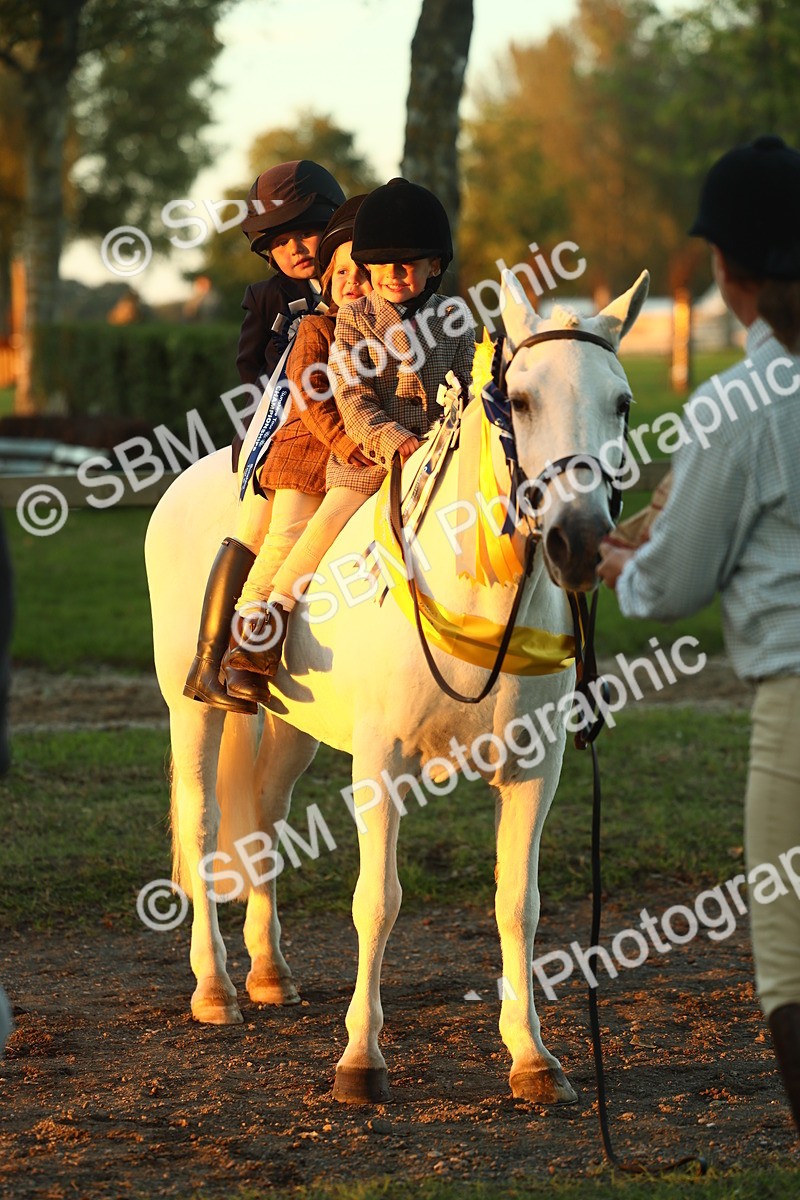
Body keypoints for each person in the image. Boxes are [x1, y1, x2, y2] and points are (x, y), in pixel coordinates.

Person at [597, 135, 800, 1140]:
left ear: (728, 272)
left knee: (790, 967)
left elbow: (672, 583)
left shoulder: (736, 402)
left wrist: (615, 560)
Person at [224, 177, 475, 695]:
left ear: (435, 266)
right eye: (384, 264)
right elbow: (352, 396)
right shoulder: (353, 321)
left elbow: (468, 386)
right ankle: (257, 634)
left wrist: (446, 436)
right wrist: (389, 440)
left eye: (411, 261)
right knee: (306, 540)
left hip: (436, 458)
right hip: (363, 465)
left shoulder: (454, 319)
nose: (396, 273)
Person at [183, 160, 345, 713]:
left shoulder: (355, 284)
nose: (296, 249)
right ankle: (209, 662)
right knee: (256, 531)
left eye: (306, 233)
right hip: (276, 432)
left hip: (349, 430)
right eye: (280, 243)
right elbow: (251, 369)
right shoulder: (266, 298)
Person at [219, 195, 373, 705]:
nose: (353, 282)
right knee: (280, 541)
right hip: (302, 447)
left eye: (363, 273)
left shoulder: (386, 327)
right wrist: (342, 440)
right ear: (327, 280)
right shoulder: (315, 325)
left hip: (363, 453)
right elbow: (306, 394)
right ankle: (238, 653)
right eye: (343, 273)